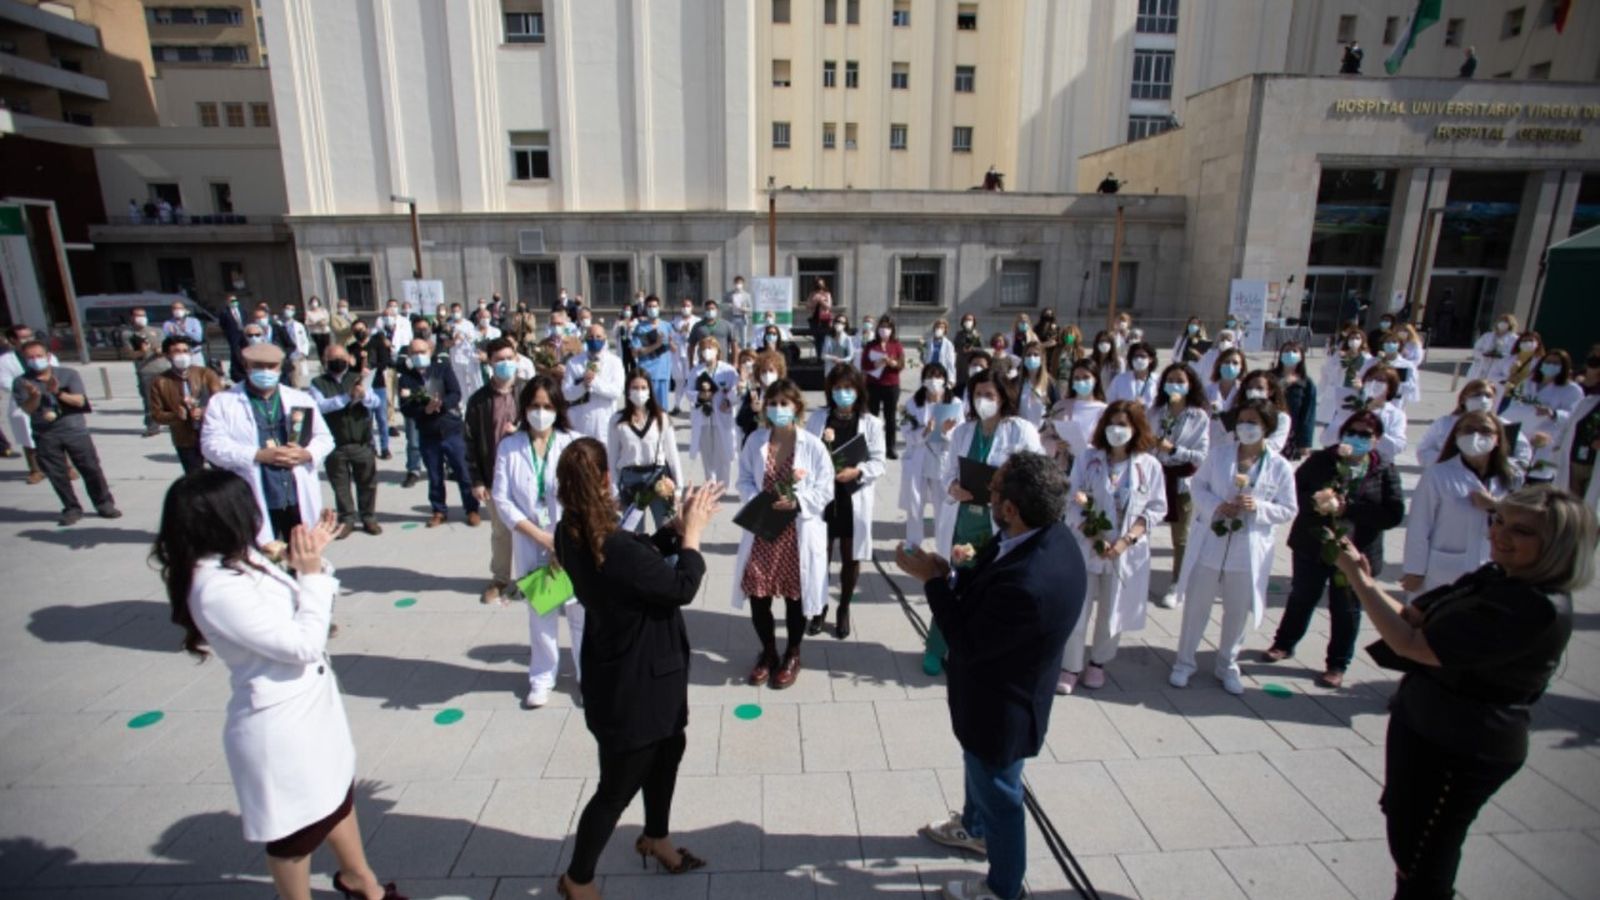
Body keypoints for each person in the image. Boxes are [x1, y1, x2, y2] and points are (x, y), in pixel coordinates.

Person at [1330, 485, 1593, 900]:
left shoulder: (1536, 606)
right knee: (1404, 832)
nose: (1501, 536)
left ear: (1557, 544)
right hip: (1424, 722)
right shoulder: (1496, 576)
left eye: (1522, 532)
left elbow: (1414, 645)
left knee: (1423, 860)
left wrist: (1357, 583)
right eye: (1499, 522)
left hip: (1463, 744)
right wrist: (1365, 579)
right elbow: (1414, 618)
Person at [153, 472, 406, 900]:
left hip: (308, 710)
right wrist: (310, 574)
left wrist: (306, 560)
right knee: (295, 834)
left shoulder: (237, 559)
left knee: (335, 798)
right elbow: (303, 644)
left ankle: (361, 882)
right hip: (280, 725)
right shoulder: (214, 587)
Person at [896, 452, 1084, 900]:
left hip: (1000, 707)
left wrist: (932, 581)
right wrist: (954, 569)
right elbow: (996, 571)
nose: (988, 494)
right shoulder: (1048, 535)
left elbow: (966, 639)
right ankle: (973, 826)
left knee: (1001, 794)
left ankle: (1003, 887)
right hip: (997, 694)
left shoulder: (1029, 583)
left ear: (1012, 509)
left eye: (995, 491)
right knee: (979, 774)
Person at [552, 441, 716, 900]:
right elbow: (681, 585)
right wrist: (693, 535)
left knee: (669, 750)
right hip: (634, 685)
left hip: (641, 673)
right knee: (615, 789)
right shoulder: (610, 545)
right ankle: (577, 879)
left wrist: (672, 530)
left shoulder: (573, 531)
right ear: (605, 480)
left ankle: (656, 837)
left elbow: (637, 558)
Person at [1263, 410, 1405, 688]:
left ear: (1377, 439)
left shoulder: (1383, 468)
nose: (1357, 438)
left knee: (1347, 607)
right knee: (1303, 595)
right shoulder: (1322, 460)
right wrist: (1319, 503)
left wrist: (1349, 509)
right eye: (1352, 432)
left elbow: (1393, 513)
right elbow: (1294, 492)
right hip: (1314, 544)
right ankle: (1284, 643)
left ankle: (1338, 663)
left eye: (1365, 434)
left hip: (1356, 550)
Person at [1169, 399, 1297, 694]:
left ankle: (1227, 664)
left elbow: (1289, 508)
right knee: (1197, 605)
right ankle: (1184, 662)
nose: (1246, 428)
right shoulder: (1220, 455)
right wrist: (1216, 505)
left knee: (1237, 610)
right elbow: (1196, 486)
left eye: (1253, 422)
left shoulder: (1278, 466)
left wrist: (1259, 507)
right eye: (1242, 421)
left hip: (1247, 547)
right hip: (1212, 541)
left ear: (1266, 427)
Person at [928, 370, 1043, 675]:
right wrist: (953, 486)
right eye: (978, 395)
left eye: (990, 395)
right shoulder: (965, 431)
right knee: (952, 581)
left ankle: (976, 652)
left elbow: (1035, 474)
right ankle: (938, 646)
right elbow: (947, 469)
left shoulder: (1021, 430)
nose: (983, 401)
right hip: (963, 519)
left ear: (1004, 397)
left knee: (988, 589)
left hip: (998, 524)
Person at [731, 378, 835, 689]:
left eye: (784, 404)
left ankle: (792, 652)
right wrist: (757, 500)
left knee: (794, 598)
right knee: (758, 596)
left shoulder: (813, 445)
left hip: (796, 533)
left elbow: (825, 489)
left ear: (797, 408)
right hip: (763, 530)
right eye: (772, 403)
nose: (778, 409)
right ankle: (767, 652)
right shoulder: (756, 441)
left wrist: (799, 501)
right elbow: (745, 480)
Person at [1060, 401, 1165, 694]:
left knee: (1112, 609)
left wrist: (1125, 541)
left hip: (1124, 551)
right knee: (1078, 608)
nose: (1116, 430)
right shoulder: (1088, 458)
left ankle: (1098, 663)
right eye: (1112, 423)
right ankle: (1070, 665)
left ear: (1136, 429)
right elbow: (1071, 500)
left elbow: (1156, 509)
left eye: (1124, 425)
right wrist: (1093, 537)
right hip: (1088, 545)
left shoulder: (1149, 466)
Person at [493, 375, 585, 708]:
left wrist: (563, 540)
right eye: (534, 406)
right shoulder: (509, 446)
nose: (541, 413)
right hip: (532, 539)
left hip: (571, 541)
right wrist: (542, 537)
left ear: (558, 408)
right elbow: (502, 500)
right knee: (541, 609)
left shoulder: (573, 442)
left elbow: (586, 495)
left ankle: (586, 675)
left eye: (547, 406)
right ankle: (542, 677)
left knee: (579, 612)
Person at [203, 342, 333, 545]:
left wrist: (307, 454)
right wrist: (257, 455)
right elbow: (211, 446)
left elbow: (325, 438)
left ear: (280, 368)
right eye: (258, 366)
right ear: (246, 366)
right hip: (254, 491)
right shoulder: (223, 402)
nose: (265, 371)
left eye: (271, 366)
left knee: (301, 554)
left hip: (295, 494)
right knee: (259, 555)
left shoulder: (299, 399)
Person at [805, 364, 887, 639]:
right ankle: (820, 606)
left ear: (858, 390)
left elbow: (879, 461)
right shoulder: (818, 419)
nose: (843, 393)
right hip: (824, 497)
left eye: (848, 388)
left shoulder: (872, 423)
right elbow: (805, 453)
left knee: (851, 556)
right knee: (821, 554)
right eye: (838, 388)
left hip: (853, 495)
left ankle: (844, 607)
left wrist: (858, 471)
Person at [1402, 411, 1517, 594]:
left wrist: (1495, 506)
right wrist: (1414, 570)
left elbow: (1525, 520)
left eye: (1485, 430)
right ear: (1456, 436)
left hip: (1493, 568)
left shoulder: (1511, 477)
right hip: (1444, 569)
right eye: (1468, 430)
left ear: (1497, 439)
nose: (1476, 435)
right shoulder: (1437, 474)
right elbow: (1419, 526)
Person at [12, 340, 121, 525]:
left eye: (39, 356)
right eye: (30, 357)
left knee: (91, 468)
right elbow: (28, 409)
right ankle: (71, 507)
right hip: (45, 434)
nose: (35, 360)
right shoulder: (22, 381)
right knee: (57, 473)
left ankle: (103, 503)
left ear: (47, 356)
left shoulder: (67, 374)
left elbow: (79, 401)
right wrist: (34, 396)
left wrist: (57, 393)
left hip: (74, 431)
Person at [465, 339, 530, 604]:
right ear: (489, 362)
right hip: (496, 477)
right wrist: (478, 479)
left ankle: (532, 578)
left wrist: (522, 430)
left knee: (532, 530)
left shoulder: (528, 392)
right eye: (499, 359)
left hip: (528, 474)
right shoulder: (479, 401)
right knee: (501, 531)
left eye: (509, 357)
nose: (505, 363)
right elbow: (469, 442)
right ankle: (501, 579)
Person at [397, 338, 480, 528]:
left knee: (463, 472)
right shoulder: (406, 379)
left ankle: (472, 509)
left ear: (430, 351)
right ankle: (438, 510)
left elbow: (455, 393)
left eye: (422, 351)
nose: (419, 356)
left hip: (451, 429)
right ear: (409, 354)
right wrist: (424, 411)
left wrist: (441, 405)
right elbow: (405, 407)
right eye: (415, 352)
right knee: (435, 475)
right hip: (428, 433)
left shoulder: (442, 369)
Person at [1150, 363, 1211, 609]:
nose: (1175, 385)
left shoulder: (1198, 415)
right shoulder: (1155, 412)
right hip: (1156, 475)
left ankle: (1177, 582)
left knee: (1181, 535)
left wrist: (1174, 449)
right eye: (1170, 380)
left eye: (1180, 381)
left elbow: (1201, 454)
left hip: (1182, 479)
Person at [309, 344, 382, 540]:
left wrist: (363, 395)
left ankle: (368, 517)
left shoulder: (358, 379)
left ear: (349, 359)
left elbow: (376, 402)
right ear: (325, 361)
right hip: (335, 444)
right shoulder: (317, 383)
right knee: (340, 484)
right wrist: (345, 398)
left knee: (367, 482)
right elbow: (320, 407)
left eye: (341, 358)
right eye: (333, 359)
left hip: (360, 441)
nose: (338, 362)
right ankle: (347, 518)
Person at [611, 370, 683, 533]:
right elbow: (612, 457)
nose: (639, 392)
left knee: (667, 532)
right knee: (634, 537)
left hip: (658, 480)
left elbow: (672, 456)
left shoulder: (661, 418)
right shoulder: (617, 421)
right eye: (635, 387)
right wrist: (614, 492)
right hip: (631, 480)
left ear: (650, 390)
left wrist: (678, 488)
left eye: (643, 387)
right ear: (627, 390)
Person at [1415, 380, 1533, 479]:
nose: (1483, 400)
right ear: (1463, 399)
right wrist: (1450, 461)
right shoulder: (1445, 423)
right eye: (1476, 395)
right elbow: (1424, 450)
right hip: (1450, 478)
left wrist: (1498, 465)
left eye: (1488, 396)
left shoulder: (1504, 426)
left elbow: (1522, 456)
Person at [1504, 348, 1584, 484]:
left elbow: (1575, 415)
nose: (1551, 365)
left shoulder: (1572, 389)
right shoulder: (1528, 382)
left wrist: (1553, 413)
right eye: (1548, 362)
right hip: (1522, 433)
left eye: (1556, 363)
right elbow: (1513, 404)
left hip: (1546, 439)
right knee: (1516, 473)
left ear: (1564, 367)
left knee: (1538, 477)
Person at [149, 335, 224, 474]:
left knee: (223, 476)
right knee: (194, 477)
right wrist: (175, 415)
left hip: (212, 433)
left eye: (185, 351)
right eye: (176, 351)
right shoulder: (160, 381)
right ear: (167, 355)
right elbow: (156, 414)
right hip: (184, 438)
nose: (182, 355)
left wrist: (203, 410)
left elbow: (222, 402)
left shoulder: (206, 374)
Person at [901, 362, 956, 549]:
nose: (935, 380)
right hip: (919, 458)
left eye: (939, 376)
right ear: (924, 379)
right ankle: (913, 543)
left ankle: (943, 544)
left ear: (945, 380)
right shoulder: (912, 403)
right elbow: (906, 433)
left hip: (942, 458)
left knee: (942, 505)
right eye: (930, 376)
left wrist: (945, 431)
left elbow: (960, 433)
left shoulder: (954, 403)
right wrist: (925, 432)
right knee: (915, 504)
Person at [1322, 365, 1408, 465]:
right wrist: (1351, 416)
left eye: (1381, 381)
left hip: (1376, 466)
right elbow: (1326, 439)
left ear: (1390, 388)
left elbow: (1396, 447)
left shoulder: (1396, 414)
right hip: (1343, 463)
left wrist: (1371, 430)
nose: (1375, 383)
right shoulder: (1349, 406)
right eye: (1371, 379)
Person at [3, 324, 53, 483]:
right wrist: (26, 388)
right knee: (28, 438)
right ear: (12, 340)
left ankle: (66, 466)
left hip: (47, 399)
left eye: (30, 336)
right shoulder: (5, 360)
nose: (28, 340)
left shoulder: (43, 353)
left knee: (56, 433)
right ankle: (35, 470)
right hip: (23, 400)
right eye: (23, 337)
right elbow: (5, 382)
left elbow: (55, 372)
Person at [1553, 350, 1600, 517]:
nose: (1592, 370)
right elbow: (1568, 428)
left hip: (1594, 467)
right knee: (1571, 513)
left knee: (1590, 514)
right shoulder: (1588, 400)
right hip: (1575, 463)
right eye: (1593, 364)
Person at [562, 323, 624, 451]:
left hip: (604, 420)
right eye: (590, 337)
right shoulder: (574, 363)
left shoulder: (615, 362)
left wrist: (594, 383)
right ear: (585, 338)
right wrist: (583, 385)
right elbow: (567, 393)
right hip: (580, 421)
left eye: (598, 336)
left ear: (605, 338)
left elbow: (617, 391)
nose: (594, 340)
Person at [1041, 360, 1108, 477]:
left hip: (1094, 467)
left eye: (1086, 377)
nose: (1081, 381)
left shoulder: (1105, 410)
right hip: (1064, 467)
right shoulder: (1060, 407)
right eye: (1077, 378)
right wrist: (1055, 445)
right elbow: (1044, 437)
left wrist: (1093, 449)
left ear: (1095, 379)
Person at [349, 318, 395, 463]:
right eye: (356, 330)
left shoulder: (376, 344)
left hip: (377, 383)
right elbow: (349, 368)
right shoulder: (351, 348)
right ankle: (371, 445)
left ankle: (385, 447)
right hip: (362, 386)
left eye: (361, 329)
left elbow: (385, 361)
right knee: (367, 418)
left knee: (381, 417)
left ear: (367, 329)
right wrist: (357, 371)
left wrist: (372, 369)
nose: (359, 332)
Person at [861, 317, 906, 460]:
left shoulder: (896, 344)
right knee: (872, 416)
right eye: (881, 327)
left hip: (891, 385)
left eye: (887, 327)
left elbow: (901, 364)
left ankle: (890, 447)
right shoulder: (871, 345)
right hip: (873, 385)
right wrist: (877, 364)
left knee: (890, 417)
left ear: (892, 329)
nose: (884, 330)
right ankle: (872, 446)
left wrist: (892, 363)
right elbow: (864, 365)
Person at [1271, 342, 1317, 460]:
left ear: (1301, 356)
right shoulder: (1269, 377)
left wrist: (1305, 442)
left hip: (1290, 435)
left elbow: (1308, 414)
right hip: (1269, 429)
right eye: (1286, 351)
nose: (1290, 354)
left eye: (1294, 351)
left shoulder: (1306, 383)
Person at [127, 307, 167, 437]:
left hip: (164, 368)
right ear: (132, 318)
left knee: (170, 397)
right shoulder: (128, 334)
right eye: (138, 315)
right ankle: (152, 426)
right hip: (146, 370)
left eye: (143, 315)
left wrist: (161, 351)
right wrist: (142, 351)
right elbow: (131, 354)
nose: (141, 318)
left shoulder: (157, 331)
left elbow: (166, 347)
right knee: (149, 401)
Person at [630, 295, 673, 410]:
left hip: (663, 373)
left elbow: (674, 347)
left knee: (662, 409)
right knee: (646, 408)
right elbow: (635, 352)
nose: (652, 309)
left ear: (659, 307)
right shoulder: (640, 328)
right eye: (649, 306)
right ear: (645, 308)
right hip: (646, 373)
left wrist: (672, 344)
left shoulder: (667, 326)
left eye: (655, 306)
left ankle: (662, 427)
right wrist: (656, 345)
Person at [737, 351, 785, 447]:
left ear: (779, 372)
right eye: (763, 371)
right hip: (755, 444)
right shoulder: (754, 393)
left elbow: (794, 419)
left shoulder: (785, 393)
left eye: (771, 370)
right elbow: (740, 421)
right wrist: (751, 410)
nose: (767, 374)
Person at [667, 298, 699, 415]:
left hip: (692, 355)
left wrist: (689, 331)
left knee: (692, 380)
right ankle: (677, 405)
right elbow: (670, 337)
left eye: (688, 306)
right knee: (679, 381)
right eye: (684, 306)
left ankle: (694, 405)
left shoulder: (697, 321)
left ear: (692, 307)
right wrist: (679, 332)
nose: (686, 308)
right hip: (678, 355)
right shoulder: (674, 321)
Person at [1014, 341, 1057, 427]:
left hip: (1042, 434)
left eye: (1036, 355)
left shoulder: (1050, 383)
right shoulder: (1016, 382)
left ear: (1042, 358)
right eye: (1028, 355)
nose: (1032, 358)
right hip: (1020, 431)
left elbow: (1057, 409)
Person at [1467, 313, 1519, 383]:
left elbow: (1514, 355)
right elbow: (1476, 350)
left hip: (1499, 369)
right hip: (1482, 366)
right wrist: (1484, 354)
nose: (1503, 323)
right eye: (1501, 321)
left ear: (1511, 324)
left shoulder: (1514, 339)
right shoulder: (1487, 336)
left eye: (1506, 322)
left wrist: (1502, 355)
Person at [1107, 340, 1159, 409]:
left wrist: (1145, 405)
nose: (1139, 359)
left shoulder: (1158, 380)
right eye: (1135, 356)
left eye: (1142, 356)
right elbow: (1110, 402)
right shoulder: (1119, 379)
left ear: (1150, 359)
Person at [805, 278, 834, 360]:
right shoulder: (812, 294)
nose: (819, 286)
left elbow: (829, 306)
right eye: (818, 284)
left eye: (821, 284)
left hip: (824, 319)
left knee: (824, 338)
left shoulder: (827, 294)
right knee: (817, 339)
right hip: (814, 319)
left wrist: (821, 300)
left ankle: (824, 356)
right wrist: (814, 301)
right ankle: (819, 357)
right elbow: (807, 306)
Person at [726, 275, 752, 348]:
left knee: (743, 337)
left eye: (740, 283)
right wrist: (729, 306)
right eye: (737, 283)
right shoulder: (730, 294)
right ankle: (732, 350)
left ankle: (744, 350)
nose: (738, 285)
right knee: (732, 335)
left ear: (743, 284)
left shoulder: (747, 295)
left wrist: (744, 309)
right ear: (734, 284)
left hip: (743, 317)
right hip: (732, 317)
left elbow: (750, 308)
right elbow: (724, 305)